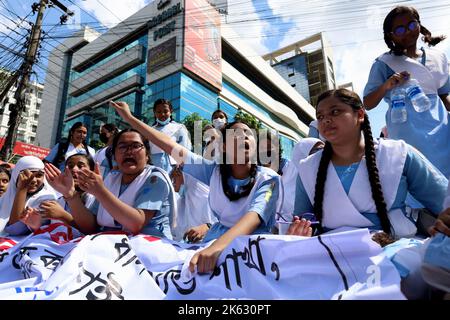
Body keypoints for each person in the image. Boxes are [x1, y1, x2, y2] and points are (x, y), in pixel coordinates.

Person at [110, 100, 308, 274]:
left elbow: (252, 218)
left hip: (251, 251)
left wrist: (217, 249)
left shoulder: (269, 178)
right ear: (222, 146)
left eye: (248, 134)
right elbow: (169, 145)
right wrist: (130, 118)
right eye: (236, 135)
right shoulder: (211, 171)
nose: (244, 138)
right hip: (209, 246)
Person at [292, 89, 448, 240]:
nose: (325, 120)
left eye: (335, 112)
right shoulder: (308, 168)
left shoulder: (397, 153)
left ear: (359, 114)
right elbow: (302, 222)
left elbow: (443, 201)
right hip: (331, 257)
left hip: (399, 251)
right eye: (320, 116)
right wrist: (298, 233)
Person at [363, 6, 450, 178]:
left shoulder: (438, 57)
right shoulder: (384, 62)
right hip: (406, 130)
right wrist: (387, 85)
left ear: (419, 24)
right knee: (419, 178)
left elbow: (444, 93)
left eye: (411, 25)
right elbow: (368, 103)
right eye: (400, 29)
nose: (408, 32)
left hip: (441, 127)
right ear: (391, 35)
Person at [44, 129, 176, 238]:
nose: (129, 151)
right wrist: (71, 196)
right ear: (114, 156)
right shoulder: (111, 179)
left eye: (136, 146)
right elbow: (90, 227)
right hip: (110, 248)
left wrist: (100, 192)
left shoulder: (155, 178)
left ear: (147, 155)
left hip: (151, 251)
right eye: (122, 146)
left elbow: (136, 223)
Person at [0, 156, 58, 236]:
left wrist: (22, 189)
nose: (33, 180)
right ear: (16, 175)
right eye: (27, 175)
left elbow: (15, 229)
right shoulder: (5, 197)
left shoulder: (46, 199)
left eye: (38, 175)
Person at [170, 165, 217, 242]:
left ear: (186, 177)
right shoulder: (181, 203)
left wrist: (207, 227)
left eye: (175, 180)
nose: (174, 187)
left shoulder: (208, 199)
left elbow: (223, 223)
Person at [150, 99, 192, 175]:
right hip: (153, 168)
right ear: (154, 113)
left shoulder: (179, 127)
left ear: (171, 112)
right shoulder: (149, 130)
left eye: (165, 111)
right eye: (159, 112)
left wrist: (180, 164)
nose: (162, 114)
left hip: (174, 169)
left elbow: (186, 147)